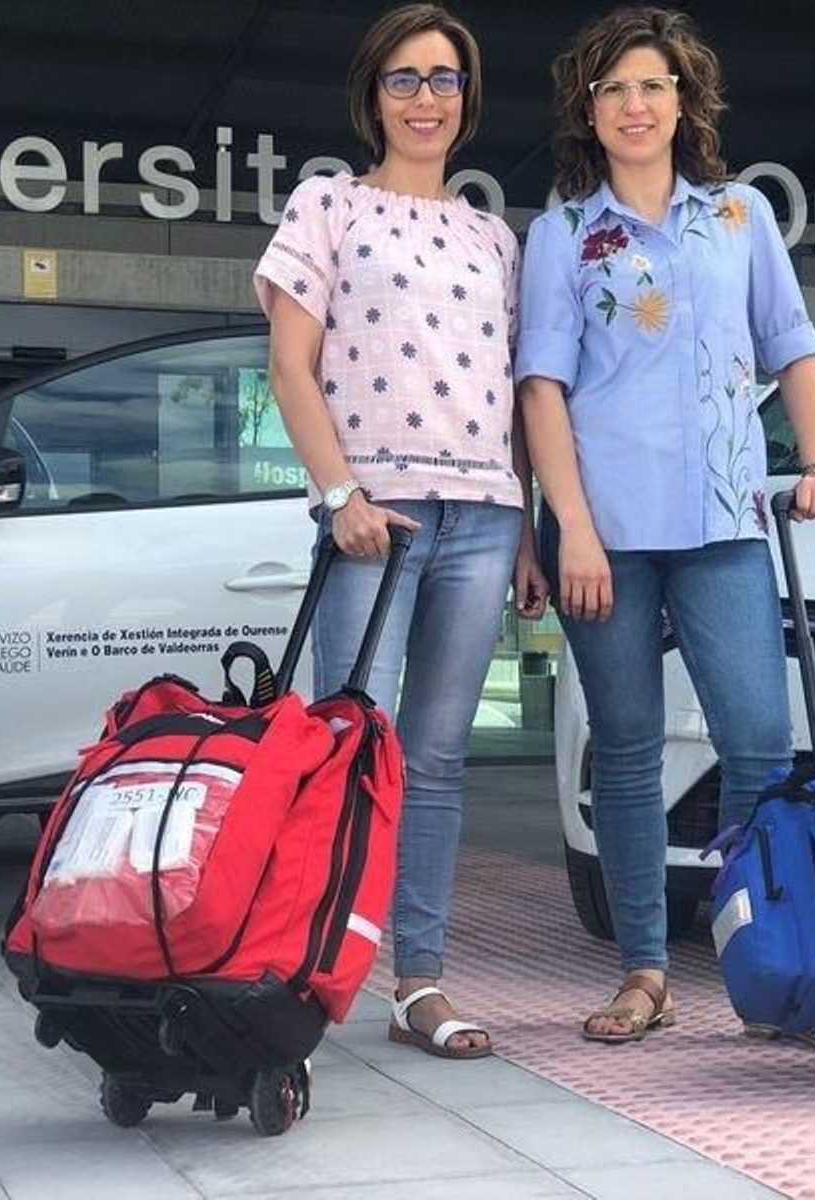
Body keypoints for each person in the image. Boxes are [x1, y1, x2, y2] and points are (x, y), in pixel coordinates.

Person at [516, 5, 815, 1043]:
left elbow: (792, 349)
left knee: (757, 741)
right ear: (588, 107)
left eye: (651, 85)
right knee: (623, 749)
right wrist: (567, 526)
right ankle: (645, 973)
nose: (633, 104)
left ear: (682, 101)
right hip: (603, 527)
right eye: (613, 87)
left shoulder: (740, 217)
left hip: (722, 518)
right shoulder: (561, 234)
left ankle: (759, 960)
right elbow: (541, 389)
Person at [253, 2, 547, 1060]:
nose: (426, 99)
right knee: (347, 752)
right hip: (374, 520)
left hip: (482, 516)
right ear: (371, 96)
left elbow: (514, 392)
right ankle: (309, 962)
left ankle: (416, 982)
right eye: (404, 79)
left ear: (467, 102)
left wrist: (525, 532)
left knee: (433, 760)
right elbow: (290, 366)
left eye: (445, 80)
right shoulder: (327, 205)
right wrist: (340, 500)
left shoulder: (492, 234)